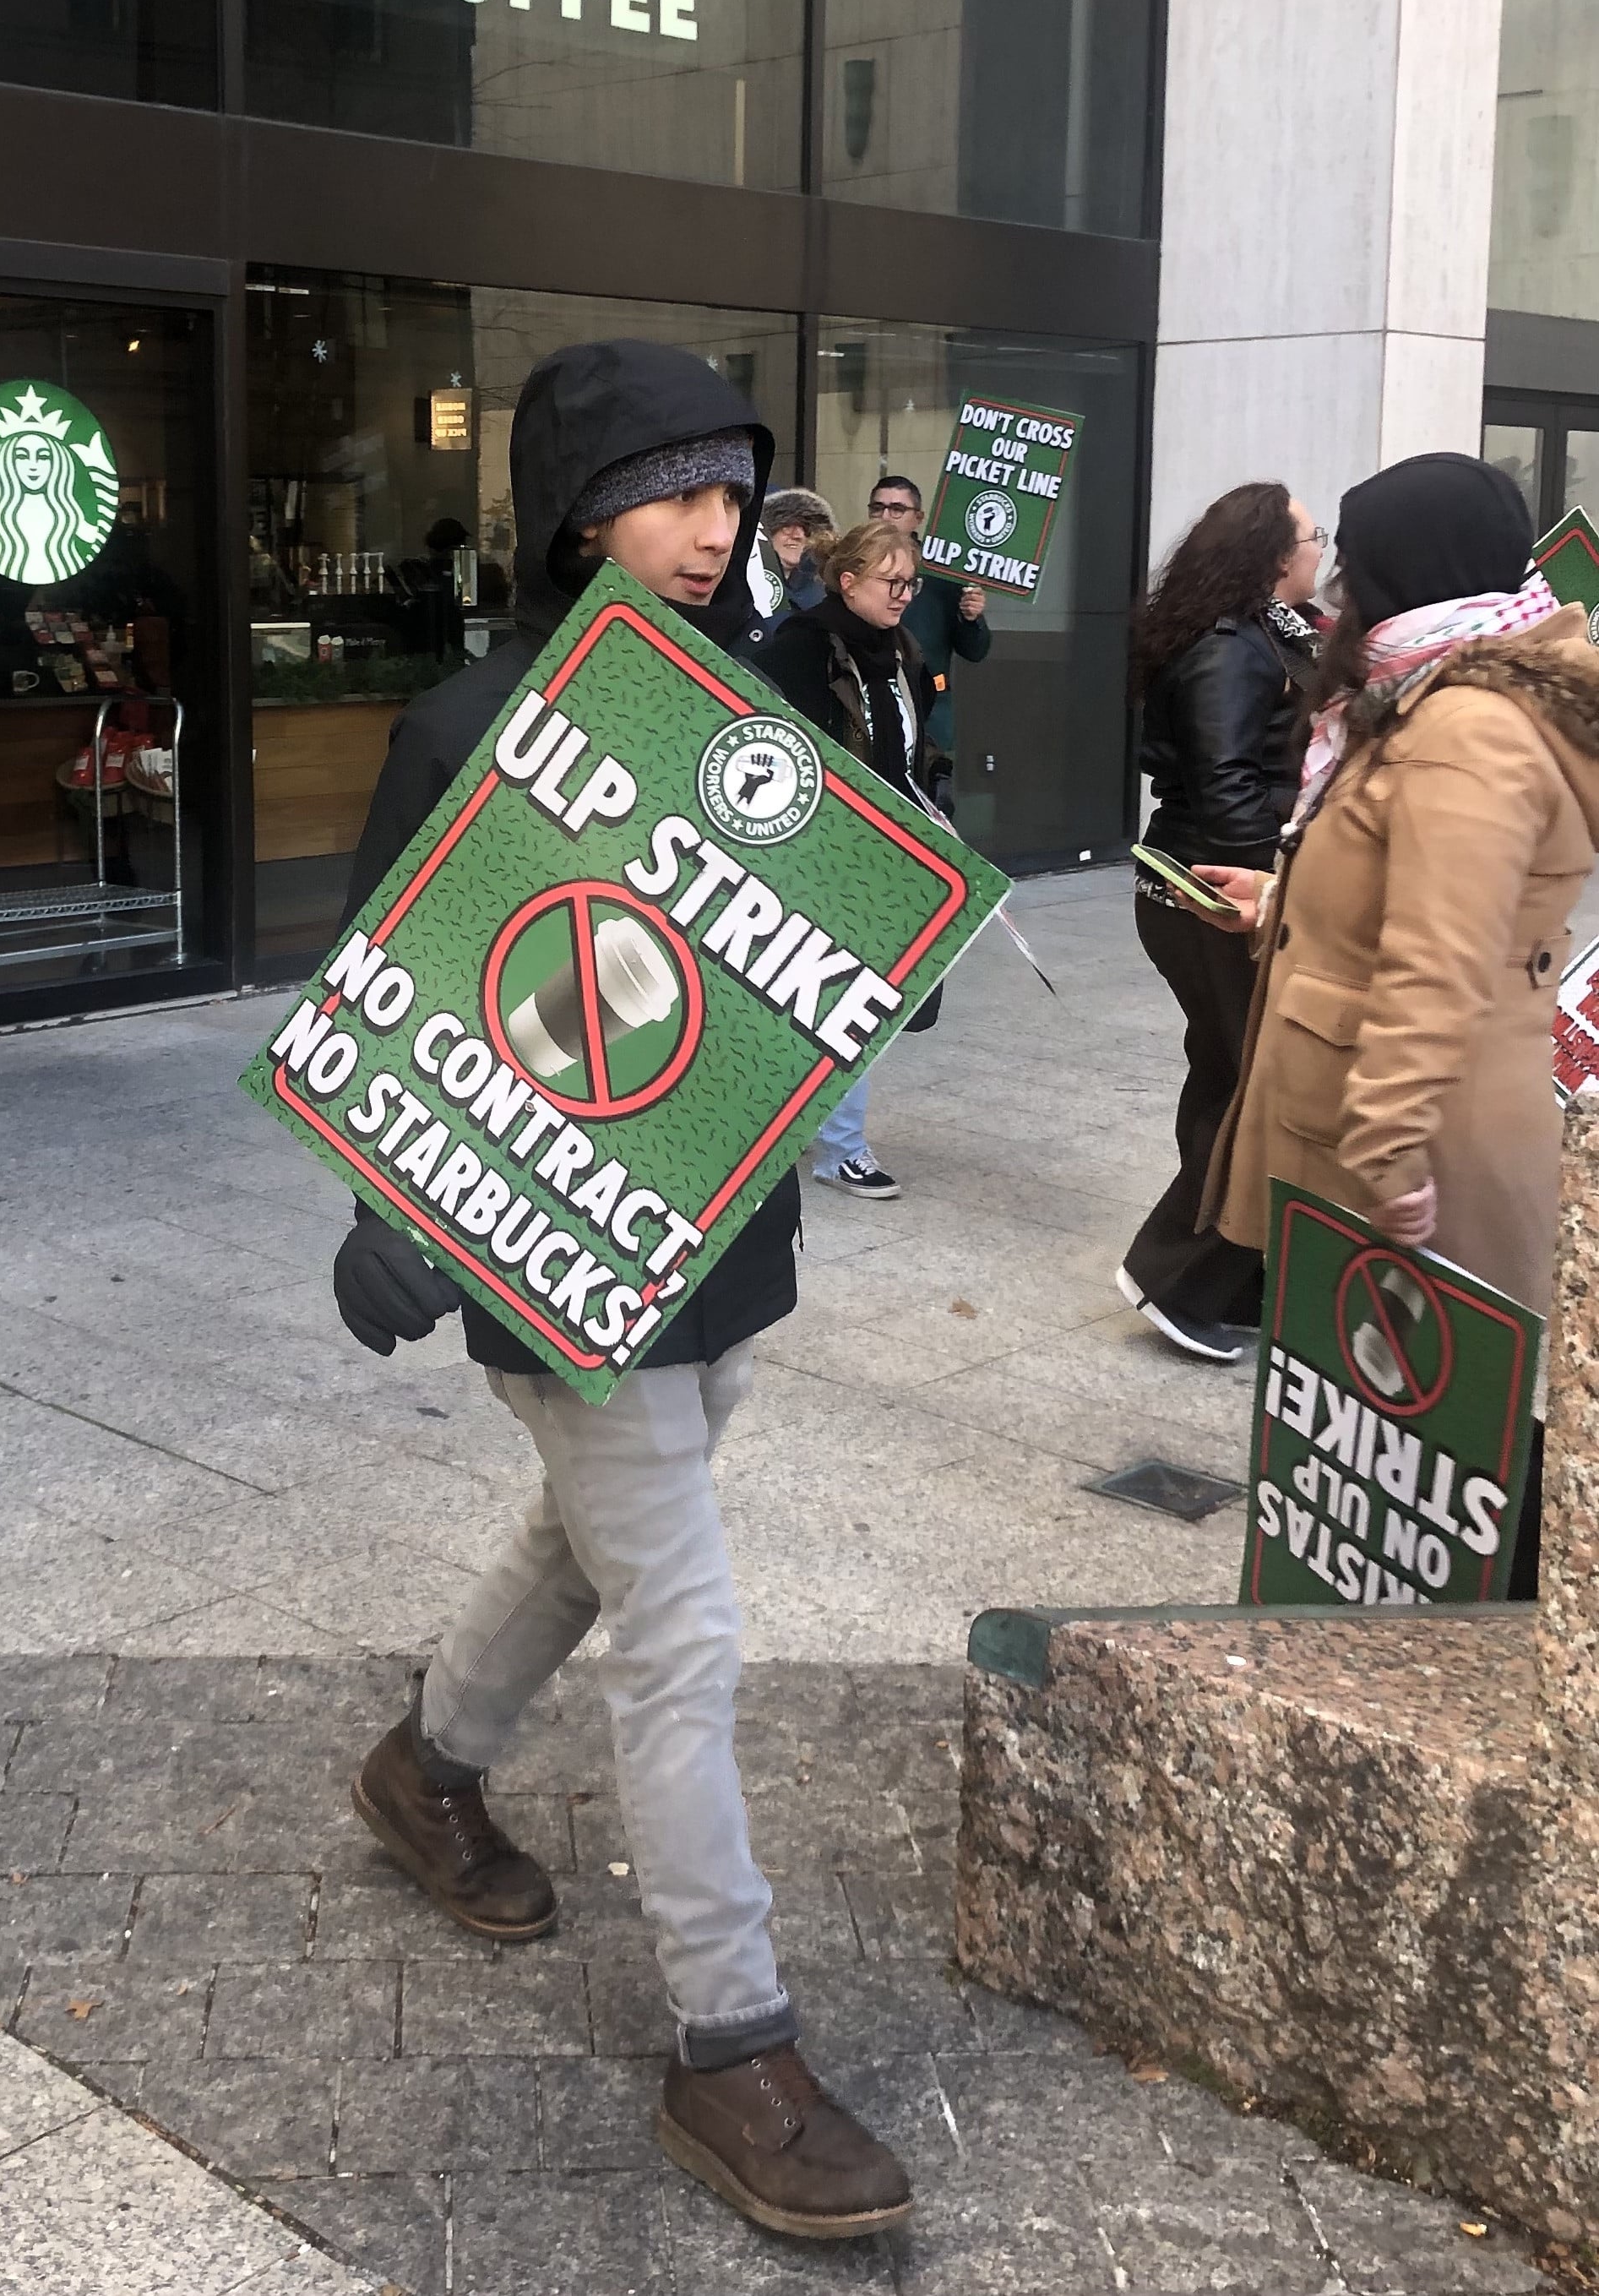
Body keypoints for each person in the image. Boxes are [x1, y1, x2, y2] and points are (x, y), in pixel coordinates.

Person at [327, 341, 912, 2244]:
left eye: (731, 495)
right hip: (549, 1247)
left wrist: (878, 965)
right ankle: (732, 2041)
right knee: (685, 1626)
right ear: (578, 510)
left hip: (714, 1238)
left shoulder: (750, 693)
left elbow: (809, 934)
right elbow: (386, 997)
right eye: (669, 492)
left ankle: (429, 1769)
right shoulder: (469, 718)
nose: (710, 529)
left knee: (596, 1548)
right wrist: (396, 1206)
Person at [1194, 452, 1599, 1598]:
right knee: (1396, 1433)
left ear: (1405, 576)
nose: (1334, 597)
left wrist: (1387, 1146)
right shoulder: (1457, 691)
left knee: (1445, 1435)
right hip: (1418, 1114)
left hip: (1427, 1132)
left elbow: (1438, 963)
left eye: (1355, 568)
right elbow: (1419, 897)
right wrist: (1282, 900)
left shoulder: (1464, 723)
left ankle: (1469, 1660)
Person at [1118, 485, 1324, 1362]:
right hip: (1216, 892)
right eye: (1315, 535)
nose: (1323, 549)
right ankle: (1176, 1275)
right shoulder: (1232, 648)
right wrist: (1267, 890)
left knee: (1226, 1075)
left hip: (1219, 889)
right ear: (1275, 553)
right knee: (1256, 1089)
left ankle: (1234, 1276)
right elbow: (1229, 784)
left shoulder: (1272, 632)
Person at [763, 517, 937, 1202]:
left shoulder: (902, 651)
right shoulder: (803, 648)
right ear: (848, 581)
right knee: (843, 1000)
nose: (903, 596)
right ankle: (840, 1148)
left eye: (911, 584)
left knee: (848, 1000)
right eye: (892, 582)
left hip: (888, 850)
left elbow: (911, 744)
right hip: (819, 852)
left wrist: (931, 800)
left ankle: (826, 1132)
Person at [870, 473, 988, 808]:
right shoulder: (854, 564)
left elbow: (976, 650)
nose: (886, 516)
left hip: (929, 720)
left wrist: (971, 617)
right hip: (870, 710)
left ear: (917, 518)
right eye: (878, 508)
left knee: (932, 813)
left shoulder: (944, 574)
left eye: (897, 509)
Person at [761, 487, 833, 611]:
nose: (797, 535)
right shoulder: (743, 583)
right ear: (767, 532)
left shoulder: (830, 587)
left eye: (806, 528)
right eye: (787, 526)